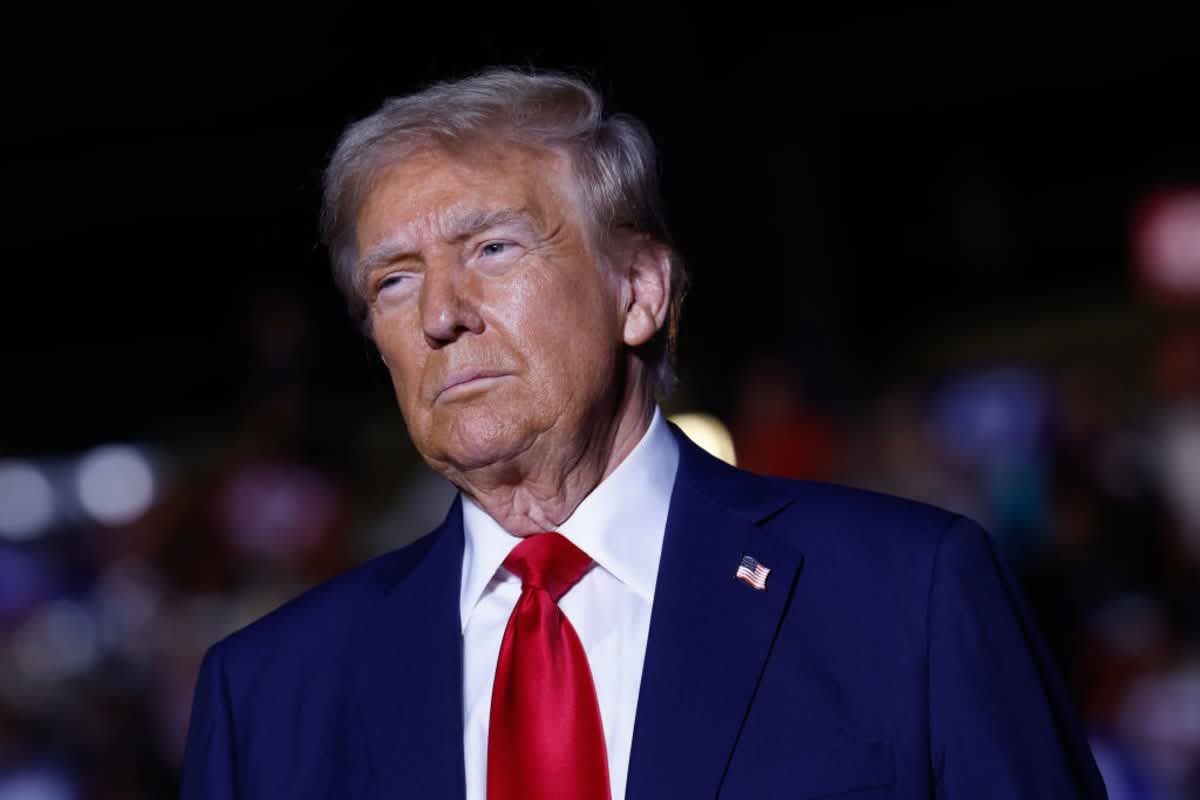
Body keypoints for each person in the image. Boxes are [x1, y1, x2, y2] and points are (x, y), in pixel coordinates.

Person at [180, 68, 1108, 799]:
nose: (439, 315)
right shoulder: (269, 695)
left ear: (640, 290)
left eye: (492, 249)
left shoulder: (909, 595)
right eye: (393, 281)